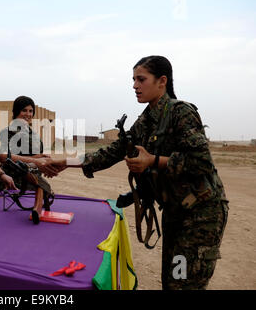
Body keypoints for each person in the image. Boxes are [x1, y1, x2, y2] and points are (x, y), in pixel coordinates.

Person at [50, 55, 228, 290]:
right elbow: (113, 151)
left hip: (200, 215)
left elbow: (201, 162)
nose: (134, 85)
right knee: (173, 277)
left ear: (161, 81)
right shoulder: (145, 120)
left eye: (141, 79)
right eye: (133, 79)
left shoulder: (180, 113)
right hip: (175, 211)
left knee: (184, 283)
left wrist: (152, 160)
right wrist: (66, 162)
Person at [0, 96, 47, 192]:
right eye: (24, 110)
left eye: (31, 111)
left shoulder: (33, 134)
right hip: (13, 182)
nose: (28, 114)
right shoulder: (7, 132)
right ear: (16, 111)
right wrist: (38, 158)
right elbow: (7, 159)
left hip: (32, 181)